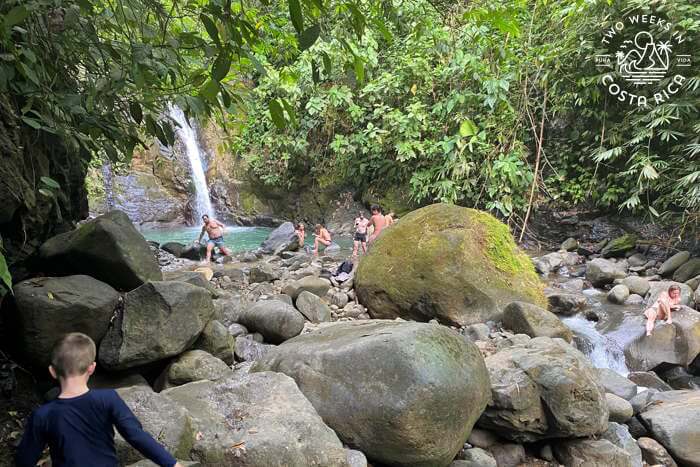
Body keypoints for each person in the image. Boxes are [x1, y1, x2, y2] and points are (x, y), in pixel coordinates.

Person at [16, 333, 182, 467]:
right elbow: (135, 436)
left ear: (52, 371)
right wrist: (171, 463)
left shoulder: (43, 415)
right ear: (92, 368)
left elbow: (25, 460)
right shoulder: (108, 399)